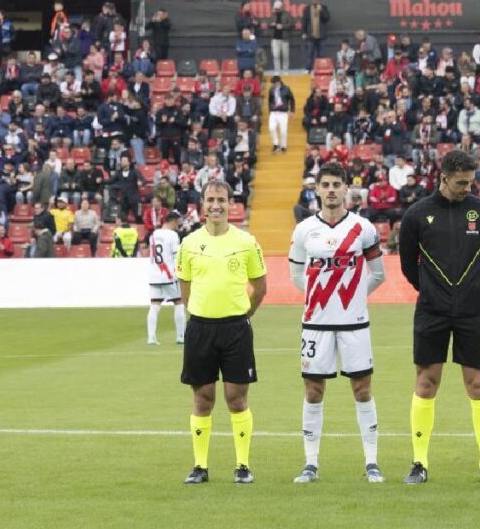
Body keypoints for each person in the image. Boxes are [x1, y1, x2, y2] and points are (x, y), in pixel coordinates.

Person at [398, 150, 480, 484]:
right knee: (426, 382)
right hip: (432, 311)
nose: (467, 188)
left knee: (477, 383)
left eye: (470, 182)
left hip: (472, 312)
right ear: (443, 177)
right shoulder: (417, 215)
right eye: (461, 182)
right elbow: (407, 264)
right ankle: (419, 463)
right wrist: (430, 291)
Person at [288, 164, 388, 483]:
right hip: (316, 324)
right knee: (314, 390)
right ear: (316, 189)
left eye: (337, 184)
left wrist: (354, 297)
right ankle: (310, 463)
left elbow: (378, 274)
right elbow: (295, 275)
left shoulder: (363, 228)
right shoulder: (304, 230)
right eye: (325, 184)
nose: (331, 190)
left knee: (362, 389)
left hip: (354, 324)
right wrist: (320, 299)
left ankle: (371, 462)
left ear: (346, 189)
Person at [177, 180, 268, 484]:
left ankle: (242, 465)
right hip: (201, 328)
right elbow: (185, 288)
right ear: (202, 205)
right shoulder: (189, 243)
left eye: (221, 200)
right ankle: (200, 466)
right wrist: (201, 313)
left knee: (236, 397)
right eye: (210, 199)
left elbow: (260, 286)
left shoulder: (246, 241)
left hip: (235, 328)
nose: (216, 205)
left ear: (232, 204)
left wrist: (245, 314)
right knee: (203, 398)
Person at [147, 211, 186, 346]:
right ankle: (181, 336)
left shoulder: (154, 234)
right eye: (177, 222)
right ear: (173, 221)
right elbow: (176, 256)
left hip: (154, 274)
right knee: (179, 302)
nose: (178, 225)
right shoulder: (173, 235)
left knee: (154, 304)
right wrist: (180, 273)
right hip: (169, 275)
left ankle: (151, 337)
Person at [269, 75, 295, 153]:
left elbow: (292, 100)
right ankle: (276, 144)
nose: (274, 84)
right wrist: (270, 110)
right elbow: (270, 100)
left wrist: (292, 110)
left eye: (275, 82)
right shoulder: (271, 90)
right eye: (273, 83)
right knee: (271, 128)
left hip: (283, 112)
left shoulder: (286, 89)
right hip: (274, 112)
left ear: (279, 81)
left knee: (283, 130)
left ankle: (283, 146)